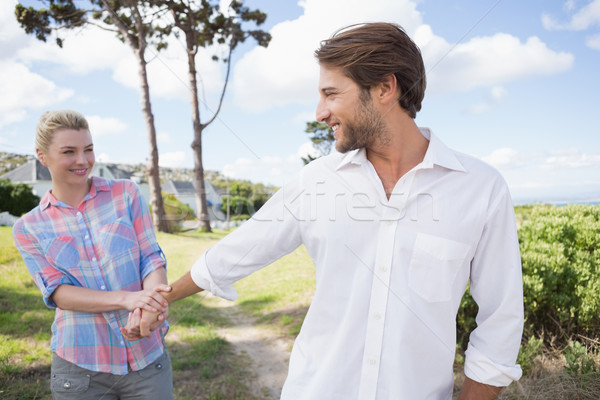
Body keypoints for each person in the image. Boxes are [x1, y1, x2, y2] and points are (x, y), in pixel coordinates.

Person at [125, 22, 524, 400]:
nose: (319, 112)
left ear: (385, 88)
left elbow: (500, 320)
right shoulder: (316, 181)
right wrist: (161, 299)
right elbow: (238, 251)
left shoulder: (480, 188)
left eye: (331, 94)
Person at [12, 110, 173, 400]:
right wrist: (127, 299)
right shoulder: (28, 228)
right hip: (80, 370)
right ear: (42, 156)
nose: (83, 161)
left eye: (88, 149)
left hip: (147, 359)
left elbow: (150, 257)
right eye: (69, 152)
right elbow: (58, 293)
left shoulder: (126, 193)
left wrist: (151, 305)